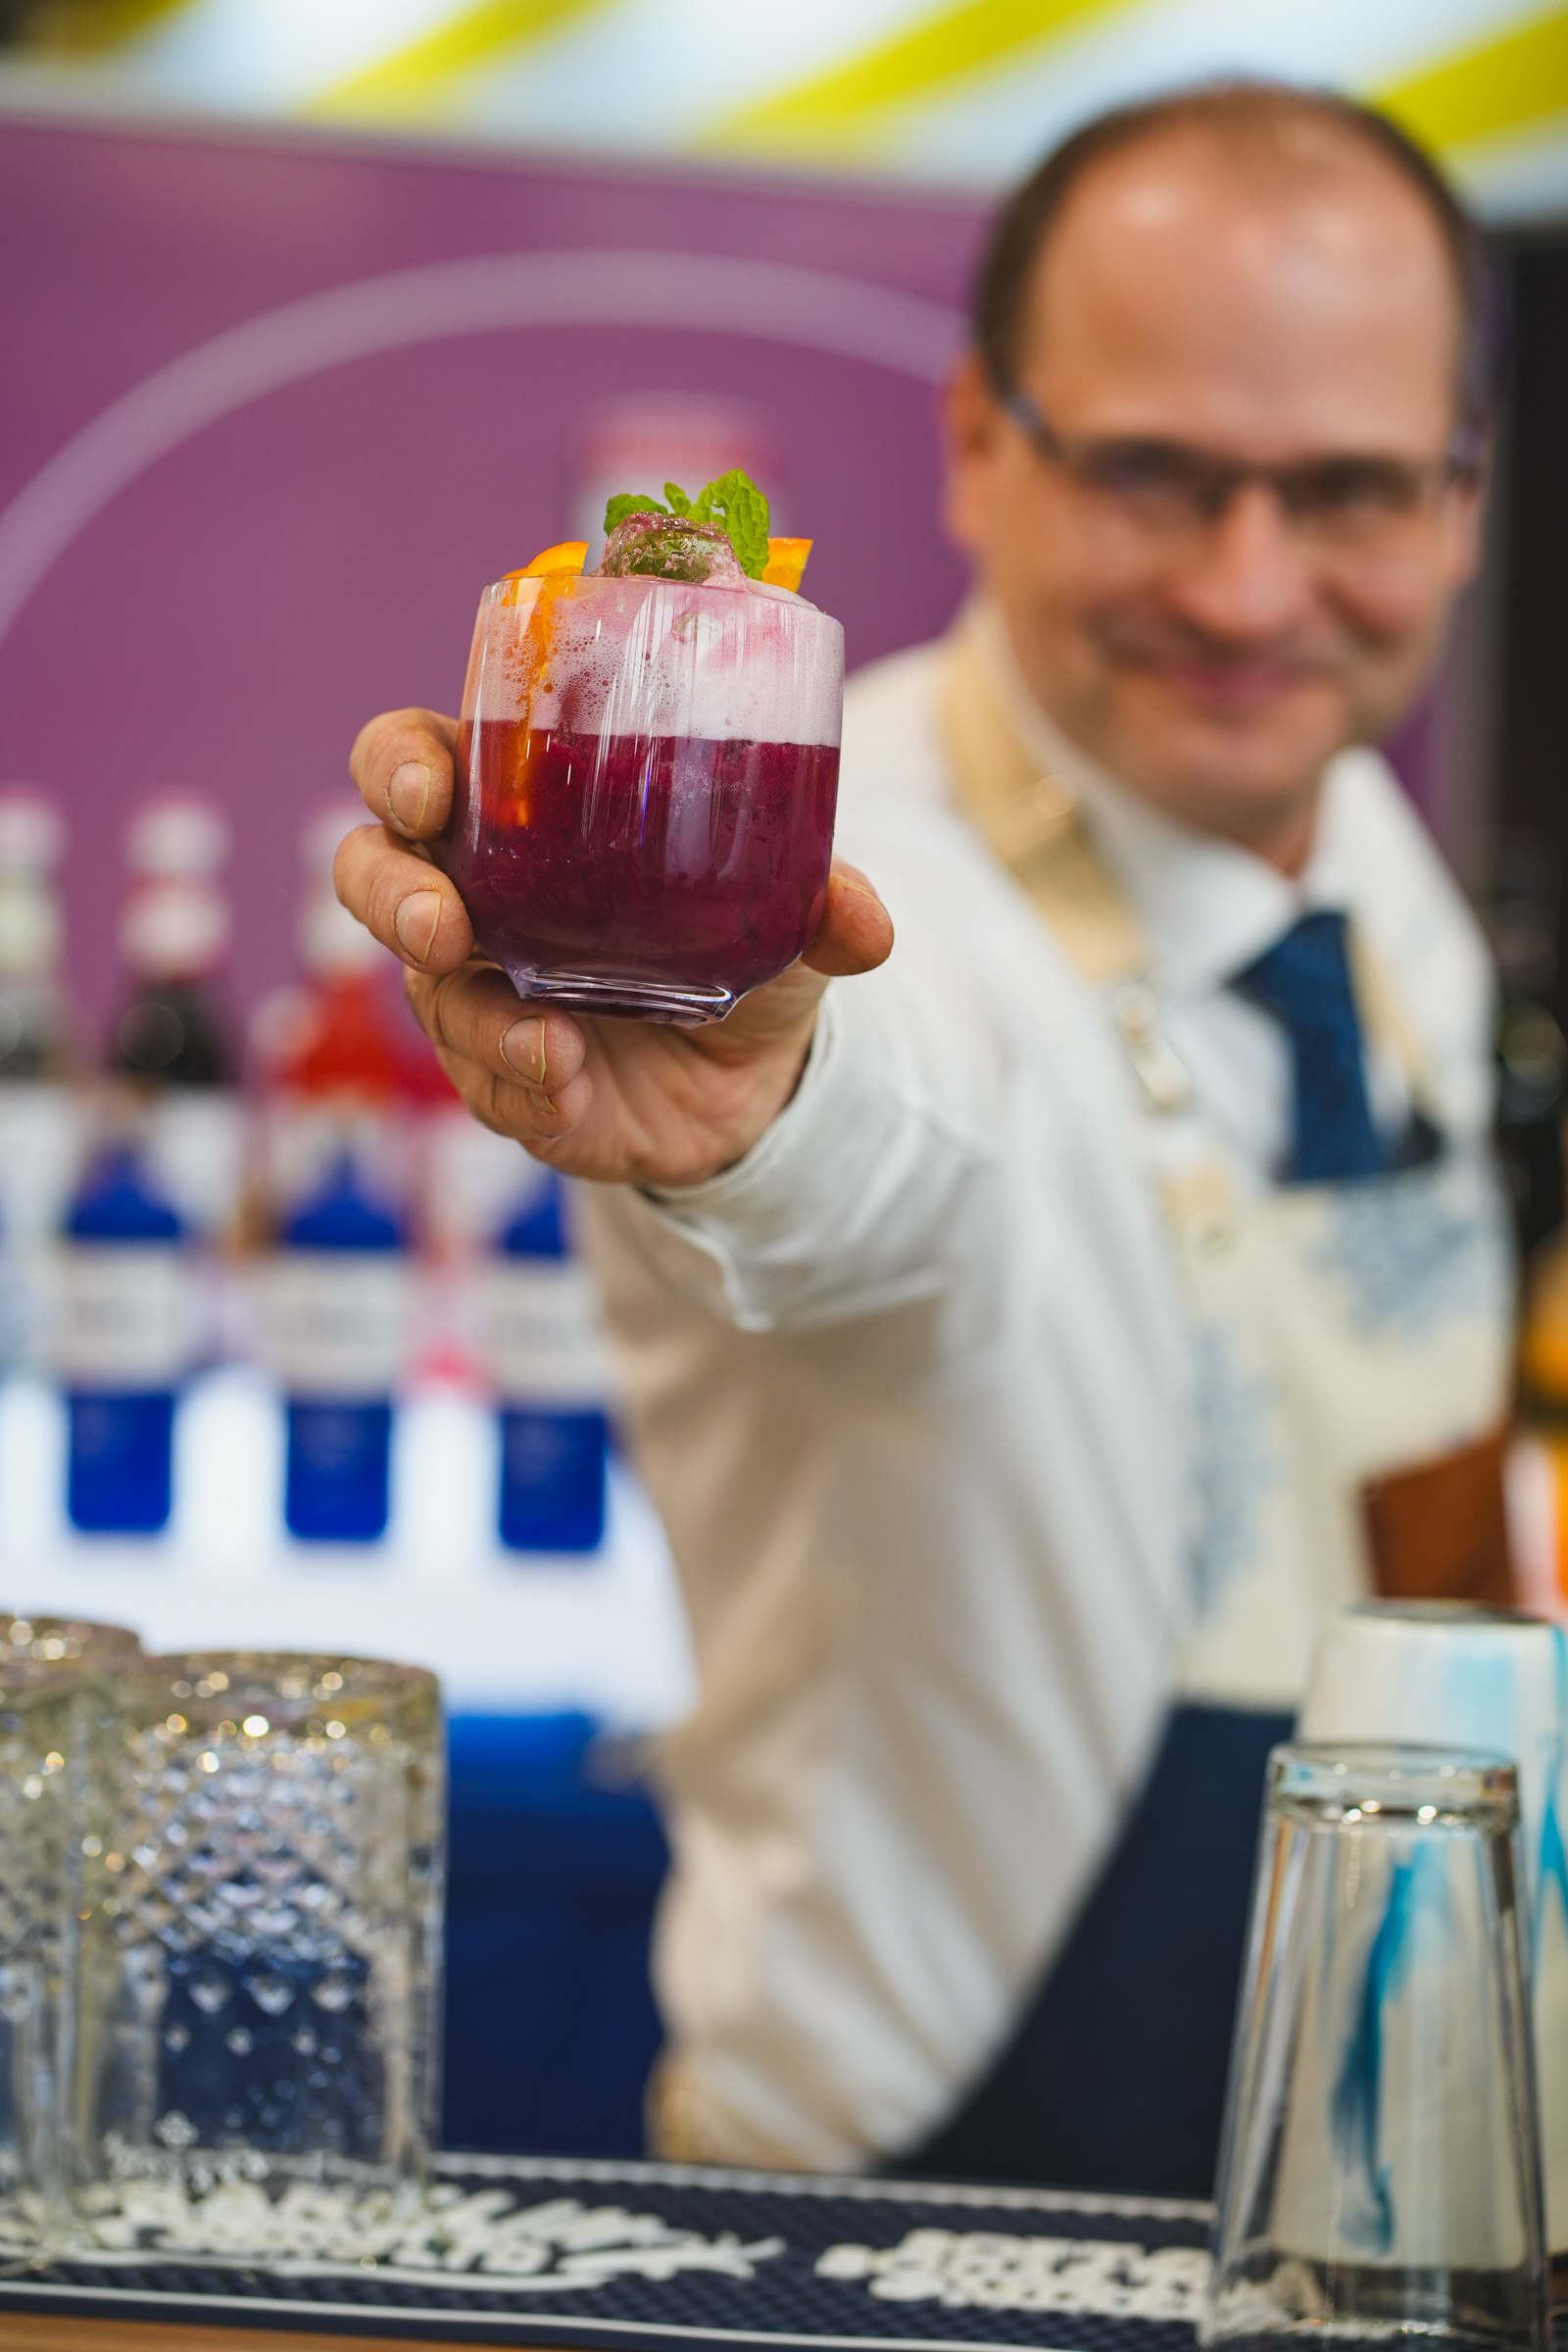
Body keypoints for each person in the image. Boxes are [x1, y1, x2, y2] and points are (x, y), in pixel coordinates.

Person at [337, 82, 1511, 2195]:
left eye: (1344, 488)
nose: (1250, 590)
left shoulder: (1364, 850)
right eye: (1153, 473)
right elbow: (891, 1153)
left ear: (1459, 495)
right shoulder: (820, 867)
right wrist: (749, 1094)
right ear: (981, 445)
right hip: (909, 2173)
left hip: (1384, 2128)